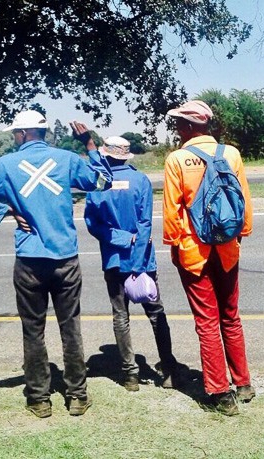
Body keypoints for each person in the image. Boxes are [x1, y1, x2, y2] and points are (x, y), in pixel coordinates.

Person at [0, 109, 112, 418]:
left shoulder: (5, 165)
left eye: (14, 134)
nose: (13, 139)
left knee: (33, 331)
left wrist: (6, 211)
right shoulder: (67, 159)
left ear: (22, 134)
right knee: (71, 328)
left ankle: (39, 399)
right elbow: (102, 182)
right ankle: (78, 395)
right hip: (65, 257)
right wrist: (91, 145)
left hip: (30, 260)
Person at [162, 100, 255, 416]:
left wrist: (174, 244)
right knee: (231, 315)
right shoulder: (231, 154)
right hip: (228, 248)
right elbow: (243, 200)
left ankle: (219, 392)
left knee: (207, 320)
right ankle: (243, 383)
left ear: (188, 127)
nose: (176, 128)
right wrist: (240, 234)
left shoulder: (177, 159)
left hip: (194, 251)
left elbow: (172, 212)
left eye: (178, 123)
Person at [83, 136, 179, 392]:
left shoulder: (98, 184)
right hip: (142, 261)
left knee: (120, 315)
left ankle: (130, 375)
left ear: (107, 155)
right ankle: (168, 370)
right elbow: (145, 224)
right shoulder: (141, 180)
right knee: (156, 314)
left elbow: (92, 223)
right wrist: (137, 262)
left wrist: (119, 238)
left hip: (114, 259)